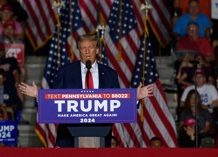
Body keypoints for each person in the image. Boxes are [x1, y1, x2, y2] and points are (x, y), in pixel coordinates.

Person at [19, 33, 155, 147]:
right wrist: (39, 96)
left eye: (90, 47)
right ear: (78, 51)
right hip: (68, 136)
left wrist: (135, 98)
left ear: (97, 50)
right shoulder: (65, 72)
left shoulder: (109, 74)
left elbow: (117, 103)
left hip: (101, 134)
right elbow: (55, 100)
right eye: (83, 48)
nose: (87, 51)